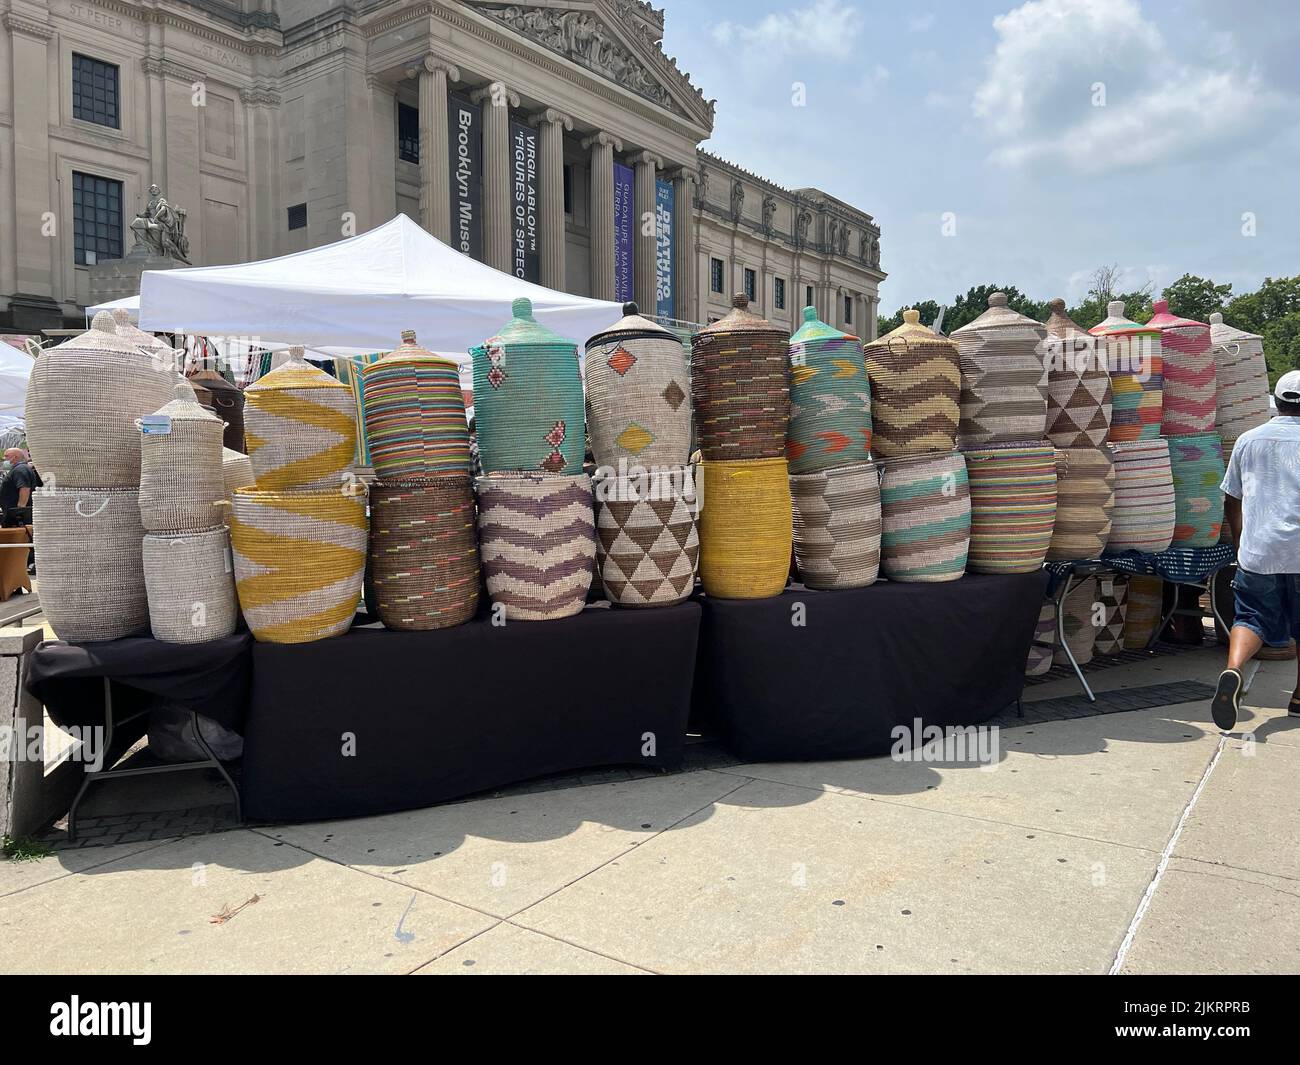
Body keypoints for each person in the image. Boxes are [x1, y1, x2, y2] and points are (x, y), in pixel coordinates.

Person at [1212, 370, 1300, 730]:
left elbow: (1231, 497)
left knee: (1249, 618)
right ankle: (1298, 697)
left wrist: (1240, 539)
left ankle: (1233, 670)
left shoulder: (1249, 440)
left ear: (1276, 403)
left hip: (1258, 550)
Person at [0, 447, 40, 527]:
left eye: (6, 456)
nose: (4, 459)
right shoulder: (20, 469)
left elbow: (24, 489)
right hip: (14, 515)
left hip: (17, 518)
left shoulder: (20, 469)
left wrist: (19, 512)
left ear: (15, 457)